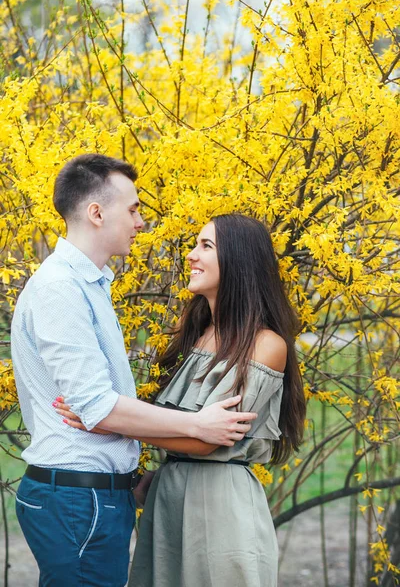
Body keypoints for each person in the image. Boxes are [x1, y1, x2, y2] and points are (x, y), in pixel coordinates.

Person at [10, 154, 257, 587]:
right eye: (134, 209)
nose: (141, 221)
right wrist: (198, 425)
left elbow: (97, 409)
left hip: (92, 494)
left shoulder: (87, 284)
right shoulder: (60, 289)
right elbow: (97, 409)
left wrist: (126, 475)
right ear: (96, 213)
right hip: (76, 499)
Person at [57, 213, 307, 587]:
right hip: (169, 495)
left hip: (220, 507)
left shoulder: (265, 345)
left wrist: (106, 418)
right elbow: (187, 428)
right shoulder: (198, 334)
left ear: (239, 261)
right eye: (195, 244)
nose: (191, 255)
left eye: (206, 246)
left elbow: (205, 440)